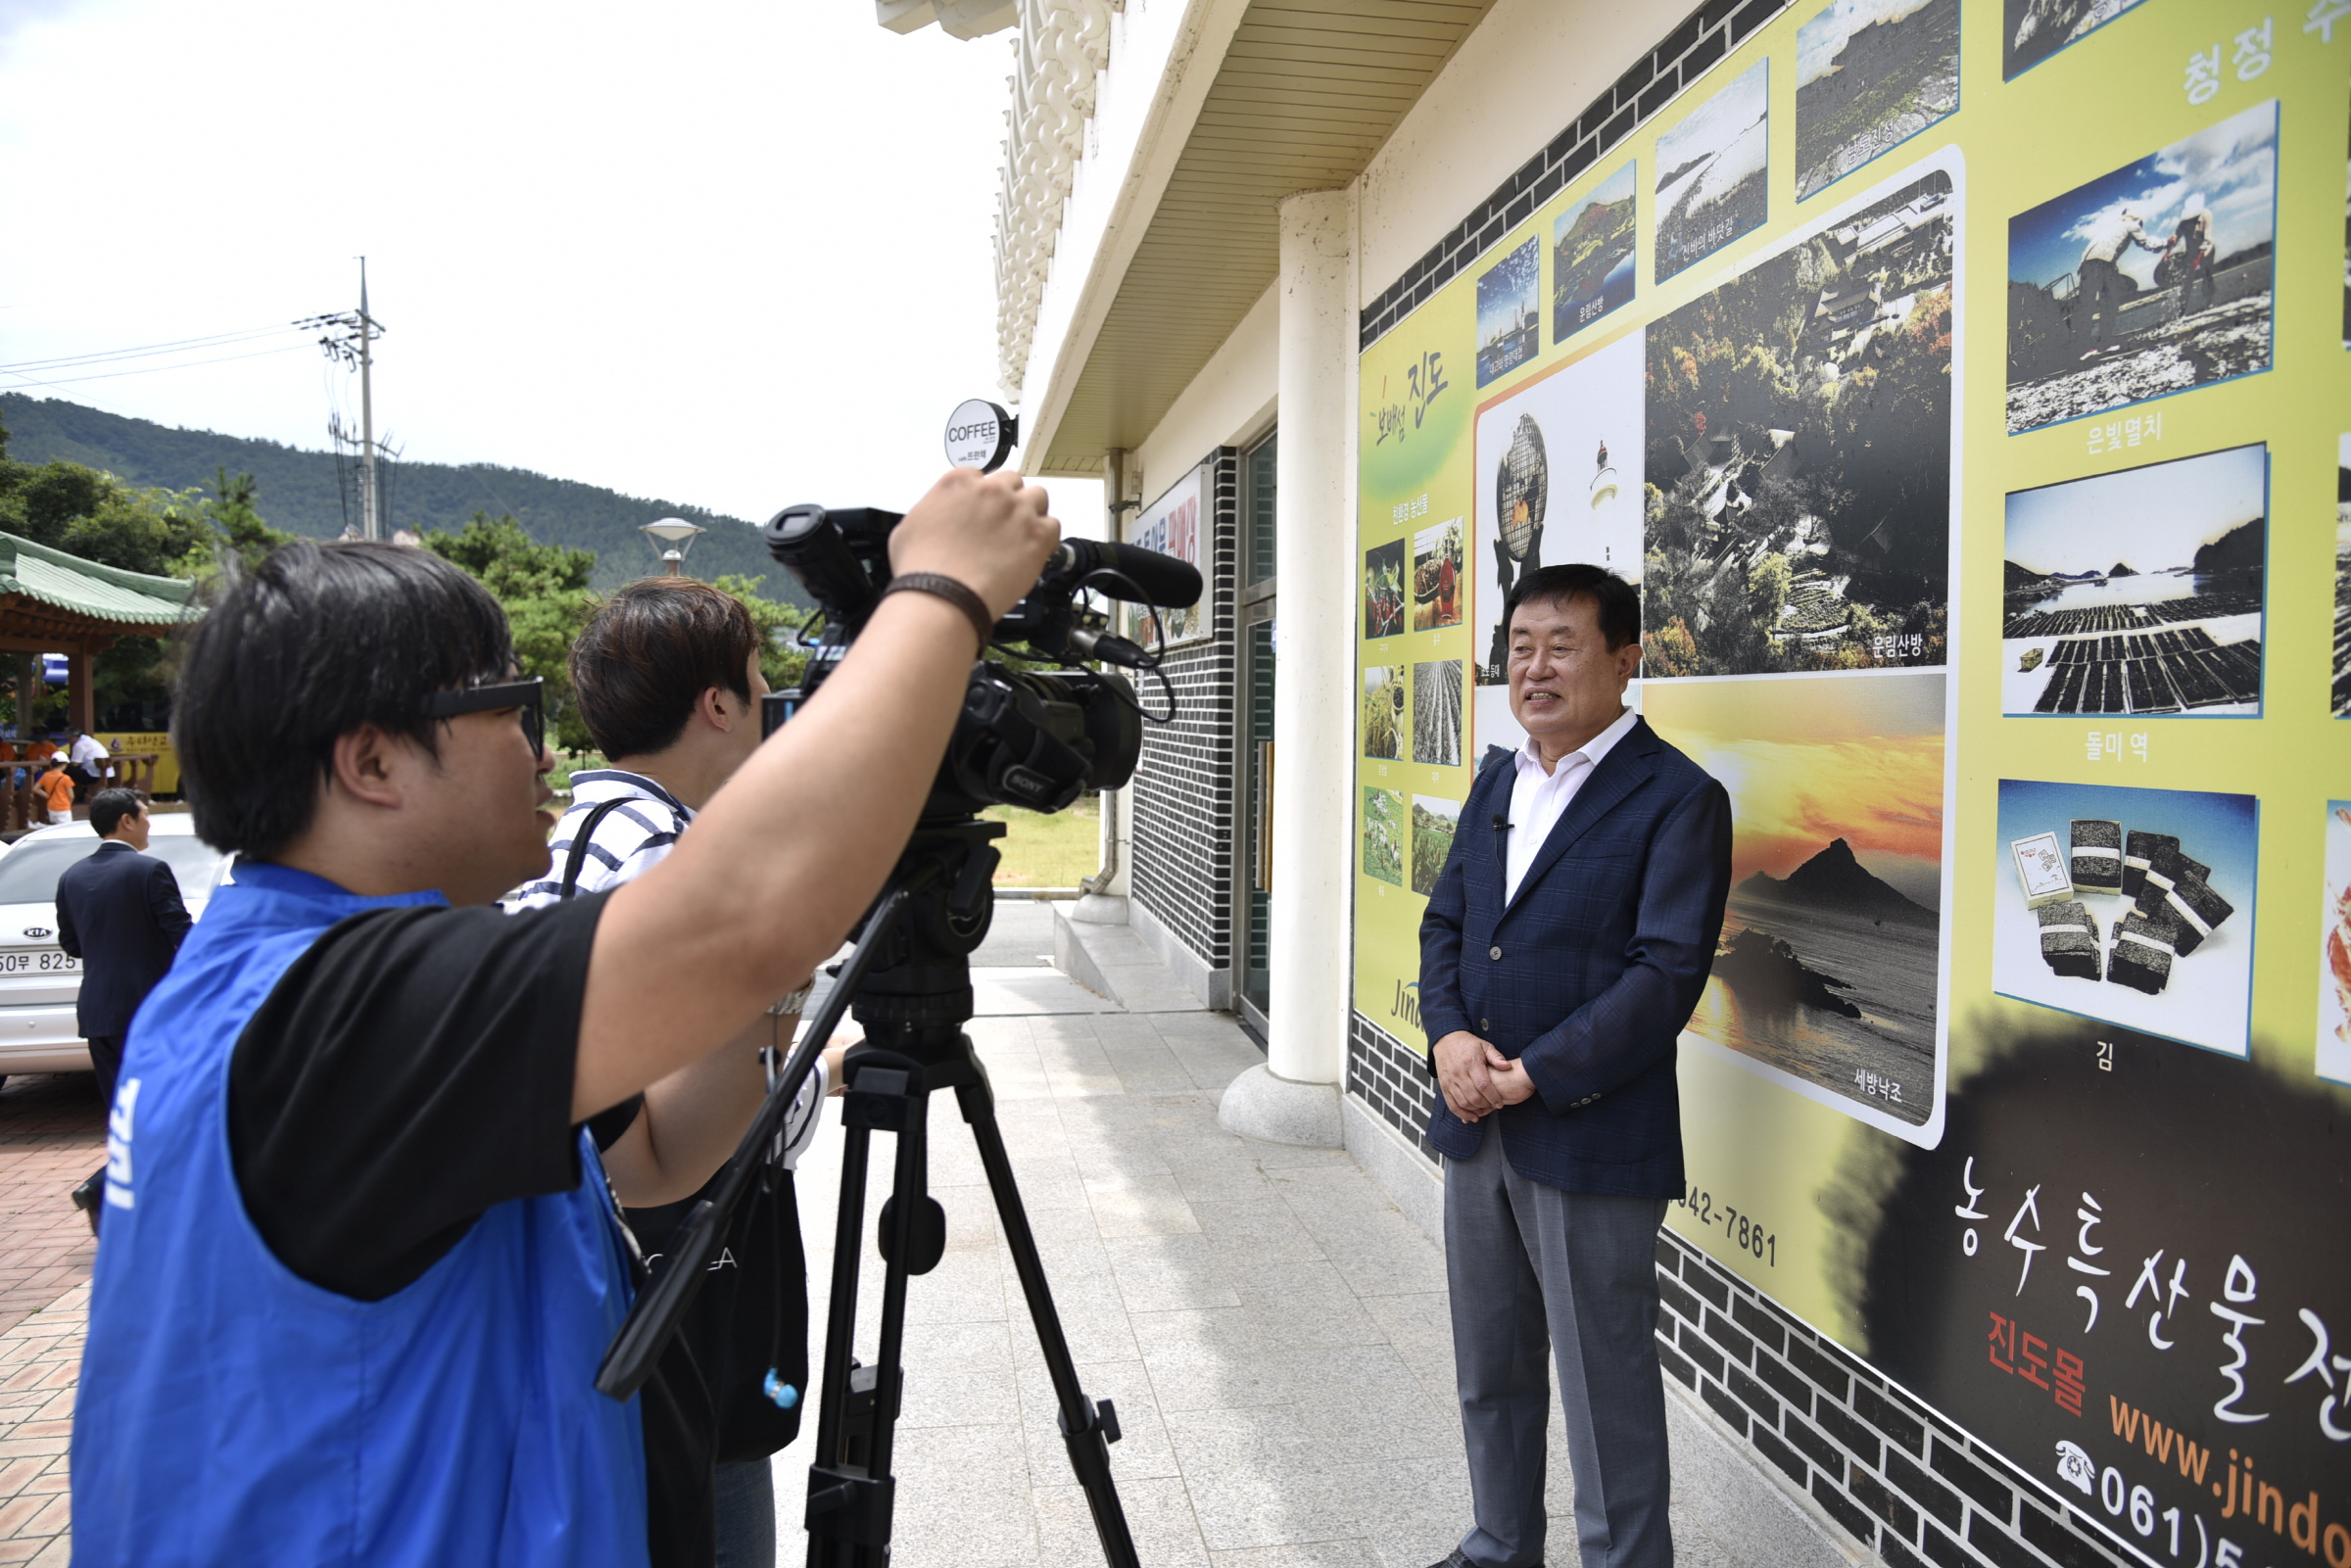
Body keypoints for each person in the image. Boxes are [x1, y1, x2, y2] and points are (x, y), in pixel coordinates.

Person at [69, 466, 1058, 1568]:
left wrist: (756, 966)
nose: (547, 752)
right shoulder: (345, 1011)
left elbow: (657, 1159)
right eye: (509, 705)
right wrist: (946, 588)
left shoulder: (270, 981)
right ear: (372, 759)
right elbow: (744, 914)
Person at [507, 578, 842, 1568]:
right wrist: (801, 1037)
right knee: (715, 1490)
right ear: (716, 704)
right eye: (756, 683)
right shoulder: (677, 859)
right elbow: (714, 1126)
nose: (768, 708)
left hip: (573, 1255)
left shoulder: (558, 836)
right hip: (685, 1265)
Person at [1417, 563, 1732, 1568]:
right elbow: (1450, 925)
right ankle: (1499, 1542)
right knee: (1491, 1366)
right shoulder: (1499, 779)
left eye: (1561, 644)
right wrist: (1449, 1038)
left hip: (1592, 1132)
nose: (1535, 667)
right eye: (1519, 646)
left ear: (1625, 660)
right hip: (1477, 1124)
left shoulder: (1679, 797)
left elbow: (1664, 975)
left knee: (1607, 1386)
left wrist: (1533, 1071)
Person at [58, 788, 191, 1225]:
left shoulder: (71, 877)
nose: (149, 823)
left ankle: (120, 1196)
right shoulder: (149, 870)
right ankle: (109, 1190)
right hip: (148, 1010)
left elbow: (72, 944)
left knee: (124, 1114)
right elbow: (182, 933)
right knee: (170, 1107)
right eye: (145, 815)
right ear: (127, 821)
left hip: (97, 1012)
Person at [2076, 208, 2160, 355]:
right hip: (2103, 263)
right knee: (2109, 303)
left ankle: (2084, 349)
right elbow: (2146, 242)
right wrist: (2163, 244)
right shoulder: (2132, 225)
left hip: (2085, 266)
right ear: (2136, 220)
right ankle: (2105, 343)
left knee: (2086, 308)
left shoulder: (2109, 229)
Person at [35, 754, 74, 824]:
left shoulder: (46, 775)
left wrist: (48, 795)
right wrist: (68, 805)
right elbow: (71, 796)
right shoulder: (66, 778)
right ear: (63, 765)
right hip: (63, 808)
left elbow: (35, 789)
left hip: (51, 807)